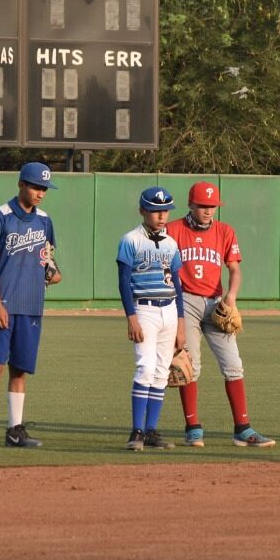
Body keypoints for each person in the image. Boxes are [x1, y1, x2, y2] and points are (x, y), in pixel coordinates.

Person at [165, 181, 274, 447]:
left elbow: (234, 269)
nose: (208, 210)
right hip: (185, 301)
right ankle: (192, 428)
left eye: (212, 206)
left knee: (233, 364)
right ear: (191, 204)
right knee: (189, 366)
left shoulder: (225, 231)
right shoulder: (174, 230)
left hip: (216, 303)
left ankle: (243, 429)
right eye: (203, 205)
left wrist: (232, 297)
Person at [0, 162, 61, 449]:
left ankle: (14, 431)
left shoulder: (45, 220)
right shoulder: (0, 216)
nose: (40, 194)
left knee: (20, 370)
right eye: (36, 187)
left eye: (44, 189)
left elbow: (47, 259)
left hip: (32, 305)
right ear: (21, 184)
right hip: (5, 302)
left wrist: (52, 272)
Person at [118, 187, 186, 451]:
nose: (161, 215)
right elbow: (124, 282)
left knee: (160, 373)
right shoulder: (130, 240)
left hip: (169, 310)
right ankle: (136, 431)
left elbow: (177, 284)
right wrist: (131, 317)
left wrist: (181, 322)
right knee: (145, 368)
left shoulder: (170, 243)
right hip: (143, 309)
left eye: (165, 210)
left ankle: (151, 431)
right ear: (142, 211)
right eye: (155, 210)